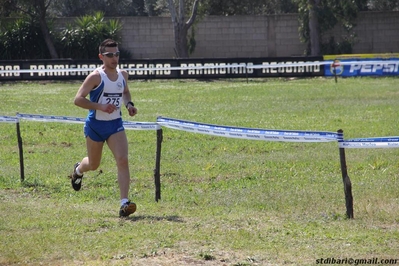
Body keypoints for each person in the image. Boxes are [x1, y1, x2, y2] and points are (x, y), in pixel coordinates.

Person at [70, 39, 138, 218]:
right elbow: (78, 99)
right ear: (101, 57)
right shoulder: (96, 77)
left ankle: (124, 203)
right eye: (109, 55)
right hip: (96, 126)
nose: (114, 58)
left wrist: (129, 104)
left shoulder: (123, 75)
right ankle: (78, 170)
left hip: (115, 125)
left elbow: (125, 92)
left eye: (116, 54)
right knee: (93, 164)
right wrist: (100, 107)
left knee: (122, 160)